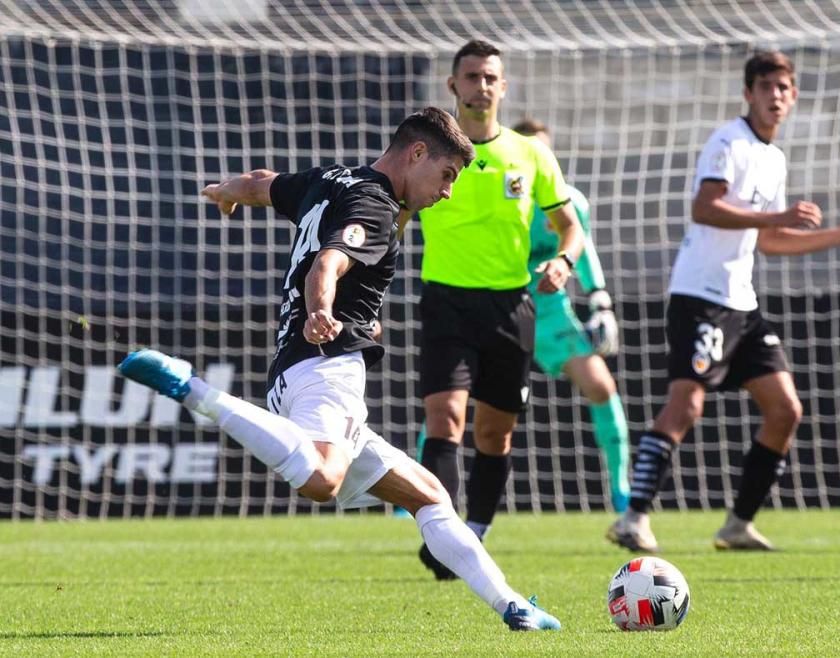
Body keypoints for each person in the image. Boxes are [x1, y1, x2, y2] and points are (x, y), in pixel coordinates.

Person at [118, 107, 561, 631]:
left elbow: (264, 184)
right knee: (323, 479)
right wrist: (322, 309)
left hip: (293, 371)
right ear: (417, 153)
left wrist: (227, 191)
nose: (446, 192)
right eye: (446, 176)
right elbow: (328, 262)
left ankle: (514, 606)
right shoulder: (375, 207)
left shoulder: (330, 179)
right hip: (328, 365)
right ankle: (193, 390)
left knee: (429, 495)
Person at [607, 51, 840, 553]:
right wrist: (772, 219)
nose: (775, 96)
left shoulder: (773, 157)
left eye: (784, 88)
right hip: (700, 296)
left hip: (742, 303)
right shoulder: (728, 141)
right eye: (766, 87)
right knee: (686, 403)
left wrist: (838, 236)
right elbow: (705, 207)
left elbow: (769, 241)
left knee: (785, 410)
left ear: (793, 96)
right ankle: (634, 516)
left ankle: (737, 525)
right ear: (748, 94)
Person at [414, 40, 584, 580]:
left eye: (490, 77)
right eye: (471, 77)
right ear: (453, 87)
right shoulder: (429, 152)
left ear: (503, 87)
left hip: (512, 306)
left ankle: (477, 531)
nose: (480, 86)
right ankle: (443, 538)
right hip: (445, 299)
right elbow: (395, 213)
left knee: (494, 435)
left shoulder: (530, 153)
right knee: (445, 420)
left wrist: (564, 261)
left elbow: (570, 227)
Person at [408, 118, 630, 514]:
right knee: (449, 407)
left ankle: (623, 490)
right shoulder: (497, 196)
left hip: (551, 315)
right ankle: (415, 497)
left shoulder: (568, 202)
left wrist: (600, 300)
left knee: (601, 386)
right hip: (499, 310)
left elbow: (582, 244)